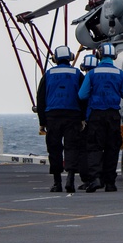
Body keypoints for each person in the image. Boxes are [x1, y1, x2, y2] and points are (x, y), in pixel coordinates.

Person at [78, 43, 123, 193]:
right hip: (113, 116)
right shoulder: (120, 74)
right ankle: (110, 183)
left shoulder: (92, 73)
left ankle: (95, 178)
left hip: (96, 115)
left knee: (94, 148)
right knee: (112, 148)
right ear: (114, 56)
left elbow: (82, 95)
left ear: (99, 55)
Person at [36, 45, 86, 193]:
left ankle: (57, 182)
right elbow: (83, 97)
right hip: (73, 116)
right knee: (72, 147)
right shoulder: (77, 74)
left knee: (54, 149)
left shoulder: (48, 74)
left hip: (53, 116)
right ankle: (70, 179)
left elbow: (41, 98)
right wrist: (83, 117)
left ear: (55, 58)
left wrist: (42, 121)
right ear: (70, 57)